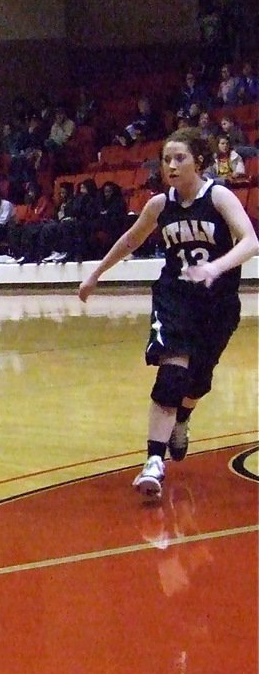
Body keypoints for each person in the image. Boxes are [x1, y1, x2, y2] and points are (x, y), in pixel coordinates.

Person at [78, 127, 258, 498]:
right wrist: (95, 274)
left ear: (200, 162)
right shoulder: (160, 205)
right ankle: (153, 462)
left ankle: (183, 419)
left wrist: (215, 267)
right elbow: (132, 239)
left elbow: (251, 241)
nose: (171, 166)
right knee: (171, 377)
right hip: (175, 297)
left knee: (198, 382)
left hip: (217, 303)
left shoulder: (219, 197)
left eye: (180, 158)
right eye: (166, 159)